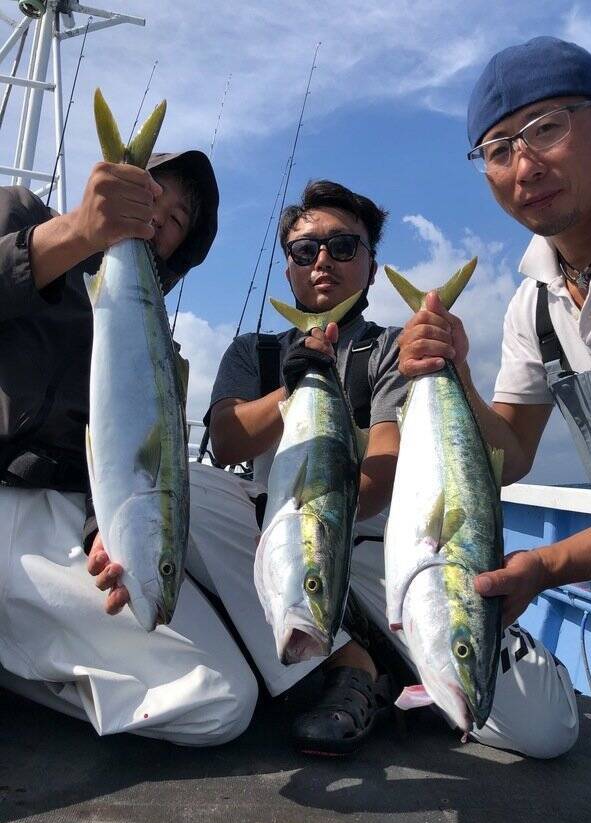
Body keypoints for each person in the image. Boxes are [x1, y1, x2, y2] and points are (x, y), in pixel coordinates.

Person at [0, 150, 261, 746]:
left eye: (172, 222)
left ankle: (14, 666)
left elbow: (120, 461)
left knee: (222, 700)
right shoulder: (18, 213)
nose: (154, 218)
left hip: (51, 525)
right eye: (150, 194)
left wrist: (104, 532)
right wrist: (72, 234)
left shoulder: (155, 352)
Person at [400, 35, 591, 626]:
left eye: (547, 128)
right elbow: (513, 453)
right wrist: (455, 376)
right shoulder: (531, 305)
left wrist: (547, 565)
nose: (525, 167)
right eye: (499, 149)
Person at [202, 179, 405, 755]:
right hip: (273, 535)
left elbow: (379, 479)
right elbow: (227, 444)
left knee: (534, 724)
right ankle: (351, 662)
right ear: (288, 268)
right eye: (305, 250)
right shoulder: (256, 353)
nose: (324, 261)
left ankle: (336, 651)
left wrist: (318, 516)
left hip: (368, 550)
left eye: (344, 247)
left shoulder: (389, 351)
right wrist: (292, 388)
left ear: (369, 265)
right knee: (183, 488)